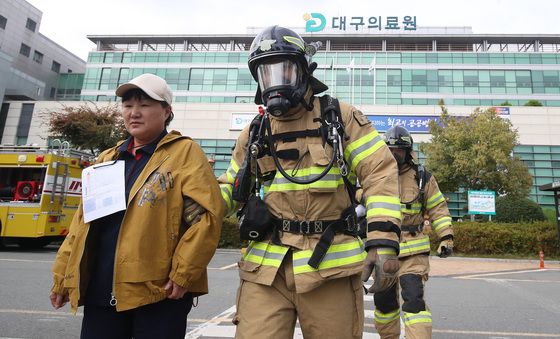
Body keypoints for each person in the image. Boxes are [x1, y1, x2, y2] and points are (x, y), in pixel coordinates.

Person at [218, 25, 402, 339]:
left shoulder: (341, 118)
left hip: (329, 267)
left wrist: (383, 241)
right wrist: (195, 204)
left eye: (283, 70)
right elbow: (231, 187)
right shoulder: (255, 131)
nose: (274, 82)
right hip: (266, 270)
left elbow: (380, 174)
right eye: (266, 74)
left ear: (304, 71)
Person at [49, 73, 224, 339]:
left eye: (144, 105)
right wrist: (63, 276)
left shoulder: (184, 153)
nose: (134, 113)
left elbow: (207, 218)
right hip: (100, 289)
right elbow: (82, 224)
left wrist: (183, 273)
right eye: (128, 105)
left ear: (166, 112)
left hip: (158, 292)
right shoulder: (108, 158)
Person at [373, 125, 454, 339]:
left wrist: (446, 237)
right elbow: (358, 192)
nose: (393, 154)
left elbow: (438, 209)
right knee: (384, 304)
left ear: (408, 152)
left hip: (413, 251)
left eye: (398, 150)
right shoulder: (375, 175)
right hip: (383, 250)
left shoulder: (422, 178)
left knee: (413, 300)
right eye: (389, 149)